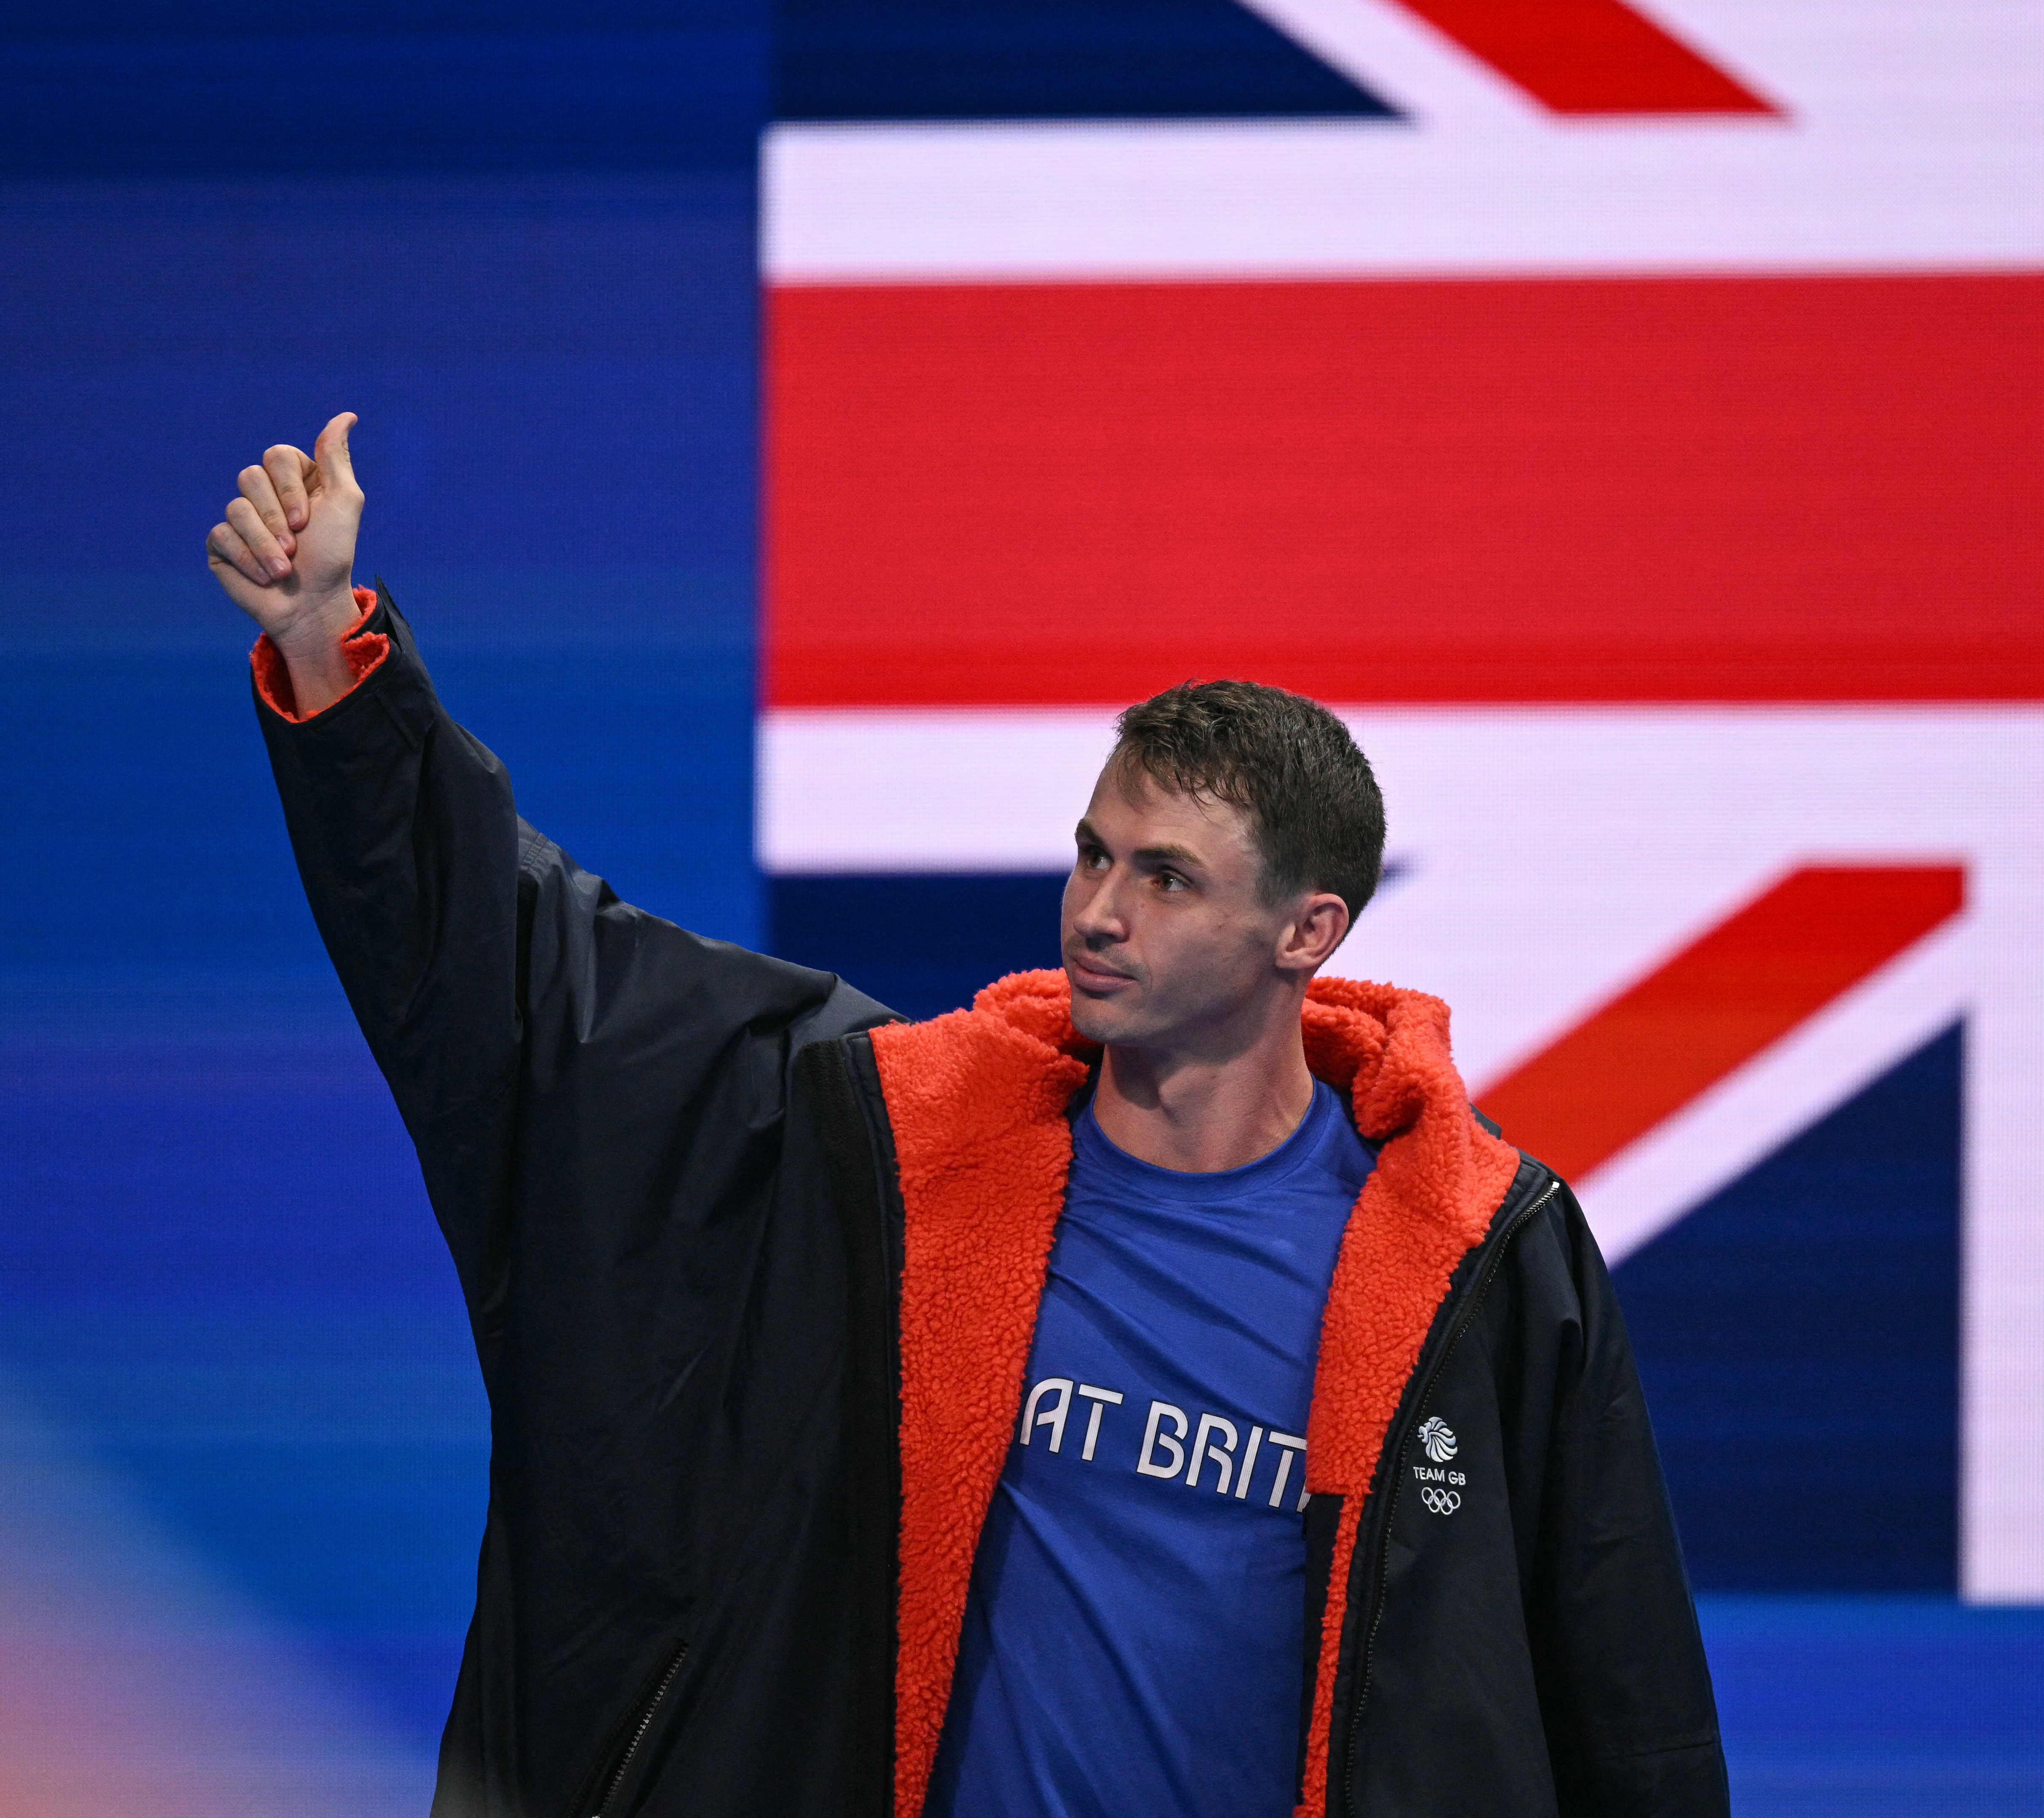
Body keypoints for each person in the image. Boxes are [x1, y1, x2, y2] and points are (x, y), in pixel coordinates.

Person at [208, 414, 1728, 1818]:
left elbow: (1624, 1704)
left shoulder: (1479, 1266)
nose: (1098, 913)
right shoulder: (872, 1151)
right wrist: (336, 661)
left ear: (1308, 931)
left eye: (1167, 877)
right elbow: (536, 984)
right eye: (1093, 854)